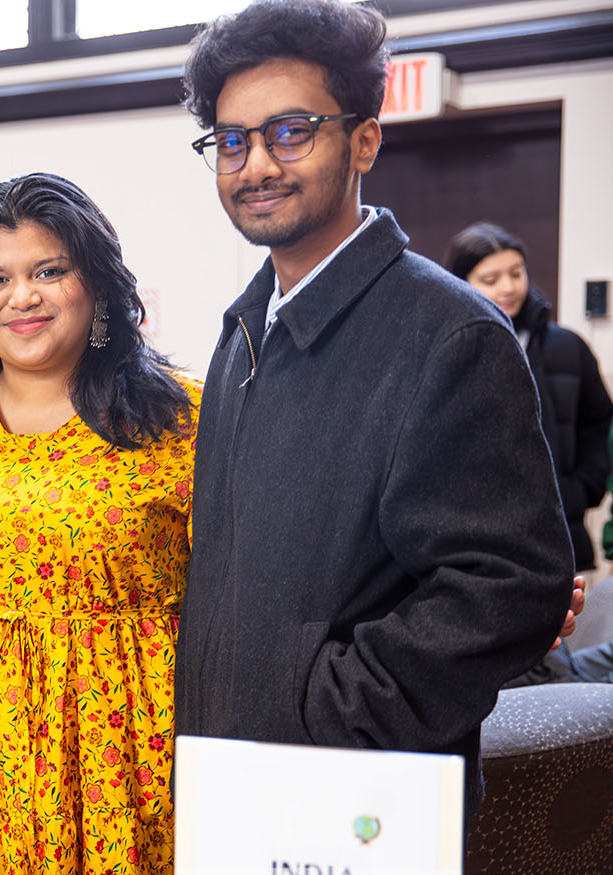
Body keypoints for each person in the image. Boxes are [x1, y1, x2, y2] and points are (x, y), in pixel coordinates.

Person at [173, 0, 571, 813]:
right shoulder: (243, 331)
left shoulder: (449, 333)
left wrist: (327, 710)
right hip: (233, 780)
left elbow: (509, 584)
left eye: (290, 132)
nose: (256, 165)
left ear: (364, 141)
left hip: (362, 802)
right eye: (232, 141)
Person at [0, 173, 199, 875]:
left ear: (97, 285)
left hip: (134, 744)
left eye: (49, 271)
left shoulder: (182, 416)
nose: (21, 297)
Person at [444, 222, 613, 573]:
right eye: (490, 279)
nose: (508, 287)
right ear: (460, 282)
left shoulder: (568, 347)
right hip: (473, 548)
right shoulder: (444, 353)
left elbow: (599, 427)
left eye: (516, 273)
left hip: (562, 538)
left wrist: (577, 492)